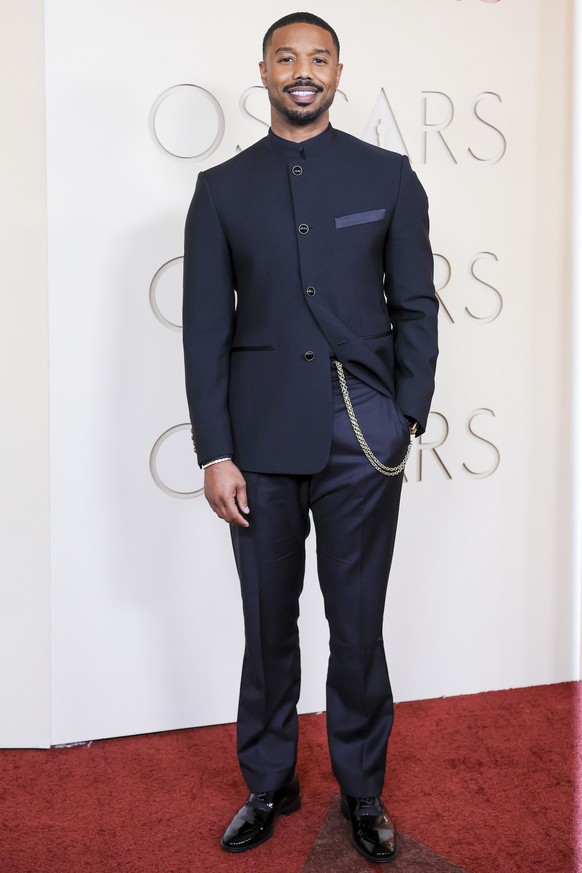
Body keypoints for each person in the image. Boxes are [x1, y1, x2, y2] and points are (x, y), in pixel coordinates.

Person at [182, 11, 438, 864]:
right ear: (261, 72)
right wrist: (215, 450)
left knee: (358, 623)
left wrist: (404, 414)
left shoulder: (390, 176)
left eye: (317, 58)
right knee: (267, 621)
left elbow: (415, 308)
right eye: (286, 58)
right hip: (257, 439)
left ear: (338, 71)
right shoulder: (220, 189)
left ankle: (363, 792)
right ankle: (271, 782)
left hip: (361, 434)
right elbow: (203, 333)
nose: (302, 71)